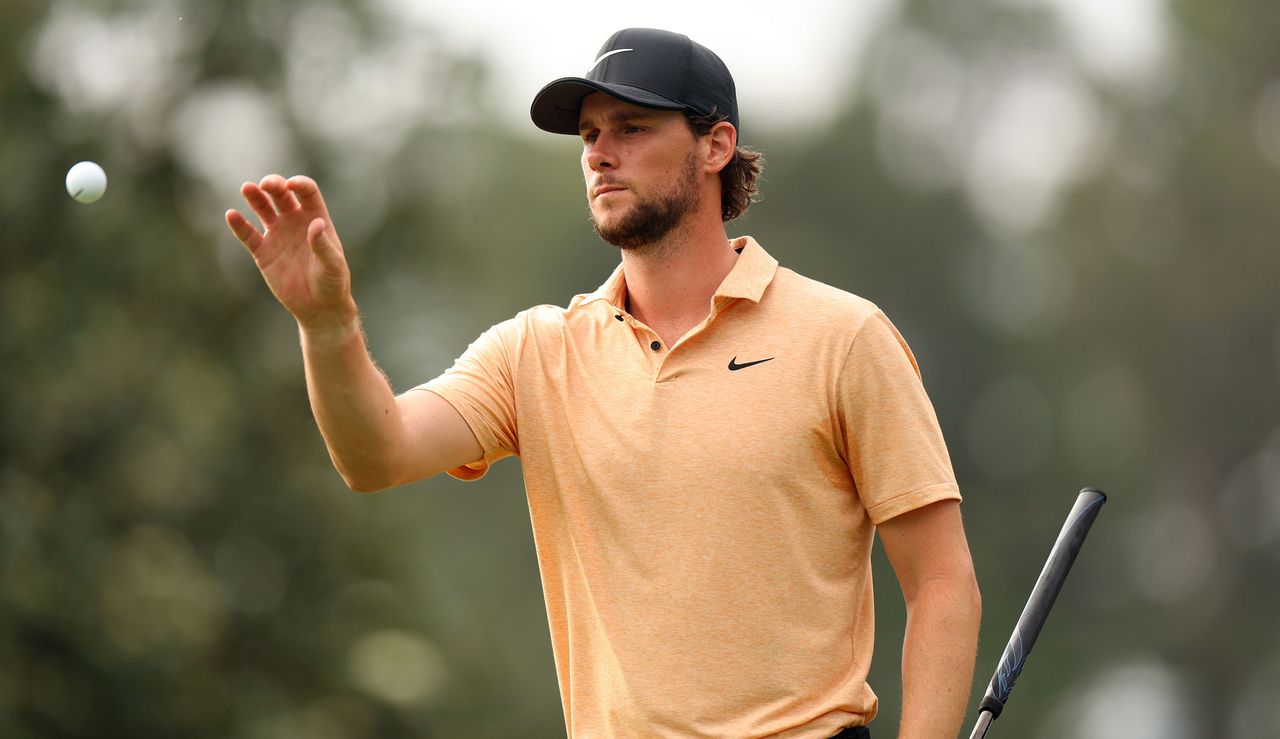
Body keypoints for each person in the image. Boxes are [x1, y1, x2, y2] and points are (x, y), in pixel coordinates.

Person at [225, 27, 981, 739]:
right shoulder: (536, 352)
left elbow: (942, 583)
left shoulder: (843, 337)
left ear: (716, 145)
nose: (599, 155)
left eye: (631, 128)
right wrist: (328, 327)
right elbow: (376, 455)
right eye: (589, 135)